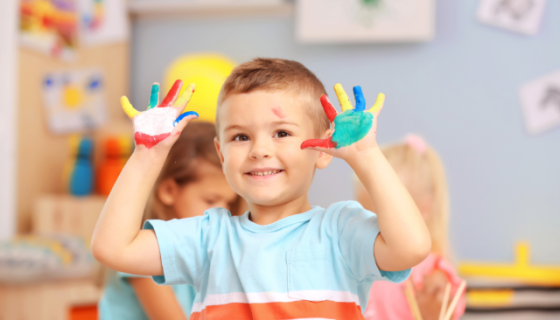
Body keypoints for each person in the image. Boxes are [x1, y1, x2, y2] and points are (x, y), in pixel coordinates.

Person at [92, 58, 432, 319]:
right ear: (221, 153)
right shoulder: (209, 237)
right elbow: (113, 249)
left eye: (281, 133)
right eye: (241, 137)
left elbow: (412, 247)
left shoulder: (341, 231)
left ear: (321, 149)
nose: (259, 150)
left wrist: (366, 156)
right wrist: (147, 156)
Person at [98, 122, 239, 320]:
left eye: (229, 202)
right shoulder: (141, 253)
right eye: (211, 200)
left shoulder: (200, 246)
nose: (223, 211)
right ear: (169, 191)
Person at [358, 135, 465, 320]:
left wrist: (431, 313)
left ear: (424, 209)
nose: (366, 226)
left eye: (379, 217)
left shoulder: (431, 275)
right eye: (360, 213)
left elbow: (442, 312)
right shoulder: (360, 261)